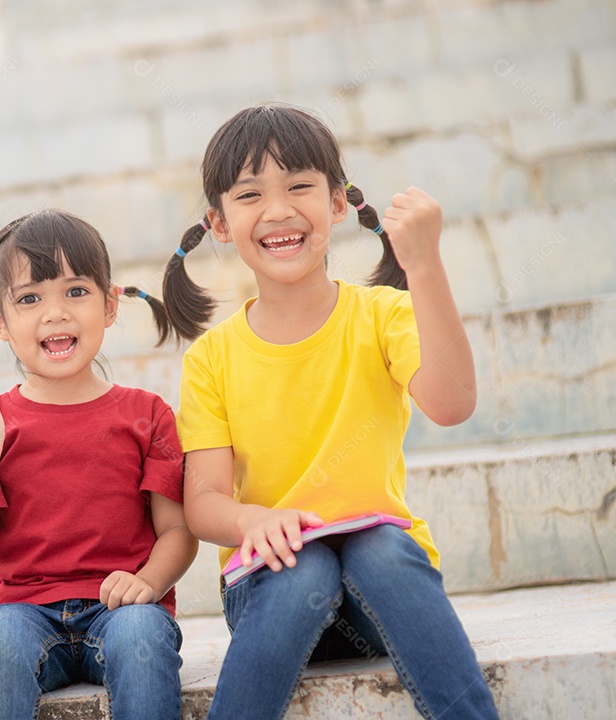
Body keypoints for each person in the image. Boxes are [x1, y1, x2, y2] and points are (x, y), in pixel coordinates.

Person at [162, 105, 499, 720]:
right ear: (220, 223)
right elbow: (203, 501)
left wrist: (423, 266)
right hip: (274, 595)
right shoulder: (212, 358)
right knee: (304, 564)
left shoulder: (383, 316)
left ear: (338, 203)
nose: (278, 209)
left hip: (388, 598)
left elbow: (453, 404)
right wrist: (255, 521)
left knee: (379, 546)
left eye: (299, 186)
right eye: (249, 194)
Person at [0, 209, 198, 720]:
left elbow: (179, 531)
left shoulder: (147, 414)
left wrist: (150, 583)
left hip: (122, 609)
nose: (55, 313)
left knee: (142, 636)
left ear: (110, 305)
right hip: (21, 612)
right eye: (29, 299)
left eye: (75, 292)